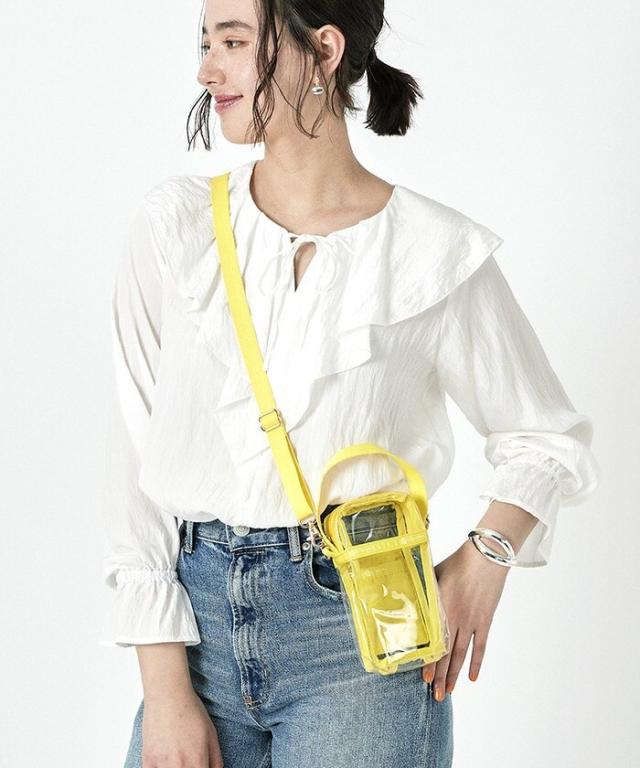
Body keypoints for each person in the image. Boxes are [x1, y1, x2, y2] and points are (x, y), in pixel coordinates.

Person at [99, 1, 600, 766]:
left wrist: (487, 557)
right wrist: (164, 684)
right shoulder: (177, 227)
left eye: (232, 41)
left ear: (324, 51)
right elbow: (135, 453)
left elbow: (545, 436)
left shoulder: (432, 253)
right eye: (205, 43)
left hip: (362, 637)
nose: (205, 69)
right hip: (195, 635)